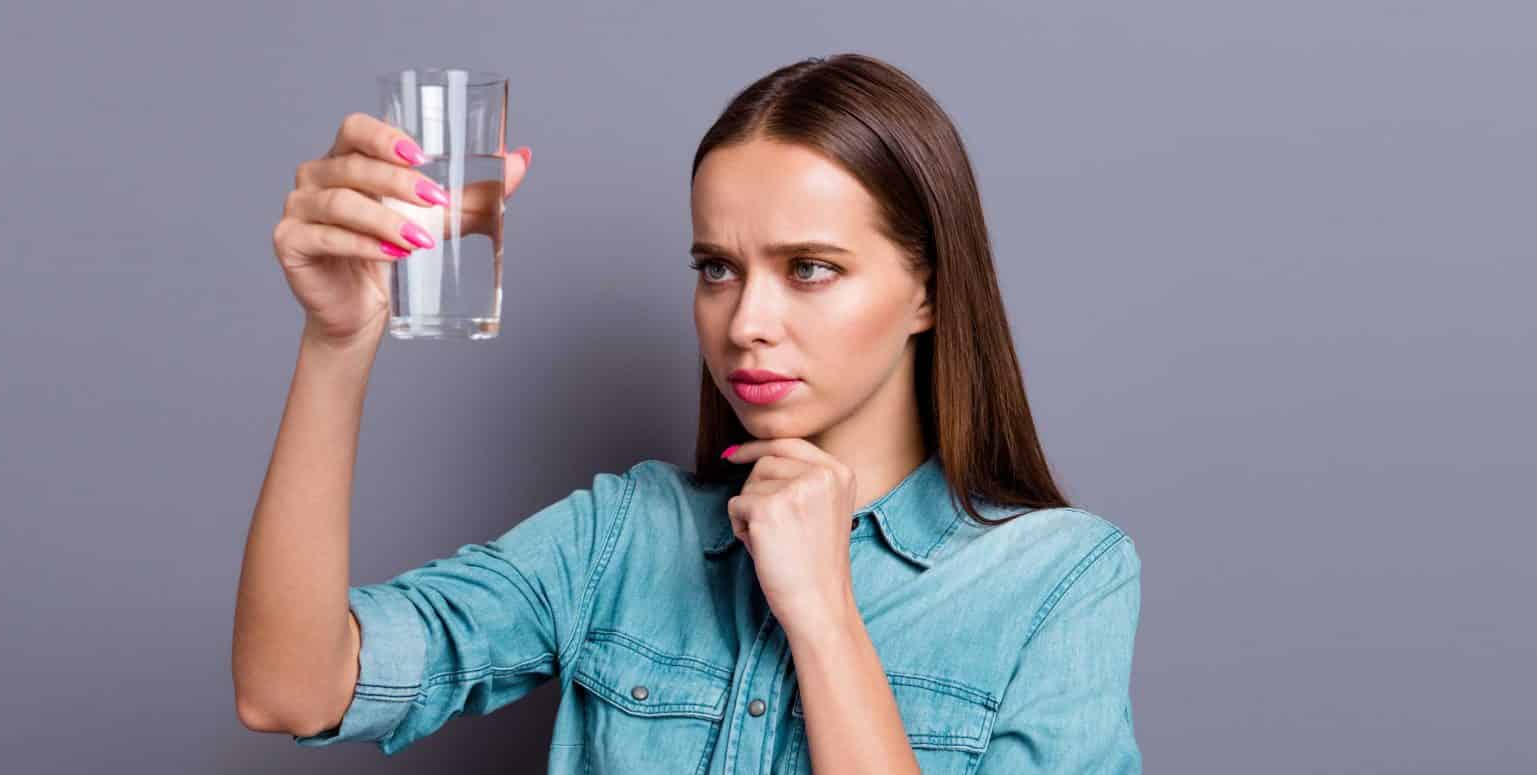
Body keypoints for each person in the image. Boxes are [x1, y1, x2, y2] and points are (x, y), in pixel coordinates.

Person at [233, 53, 1142, 774]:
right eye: (717, 269)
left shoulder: (1058, 579)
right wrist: (337, 342)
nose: (745, 323)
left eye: (810, 268)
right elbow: (292, 689)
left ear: (928, 292)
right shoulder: (626, 535)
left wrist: (824, 614)